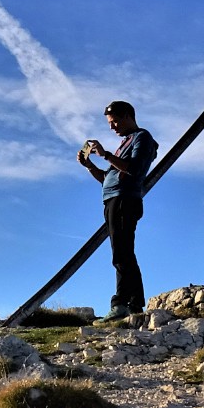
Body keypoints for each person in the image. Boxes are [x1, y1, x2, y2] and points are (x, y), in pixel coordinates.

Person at [77, 101, 158, 320]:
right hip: (113, 199)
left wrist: (105, 155)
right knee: (123, 252)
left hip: (124, 200)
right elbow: (107, 179)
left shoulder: (143, 138)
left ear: (128, 116)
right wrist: (90, 166)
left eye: (115, 122)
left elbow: (133, 169)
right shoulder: (125, 143)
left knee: (121, 252)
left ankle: (121, 302)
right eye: (110, 123)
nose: (112, 128)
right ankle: (135, 304)